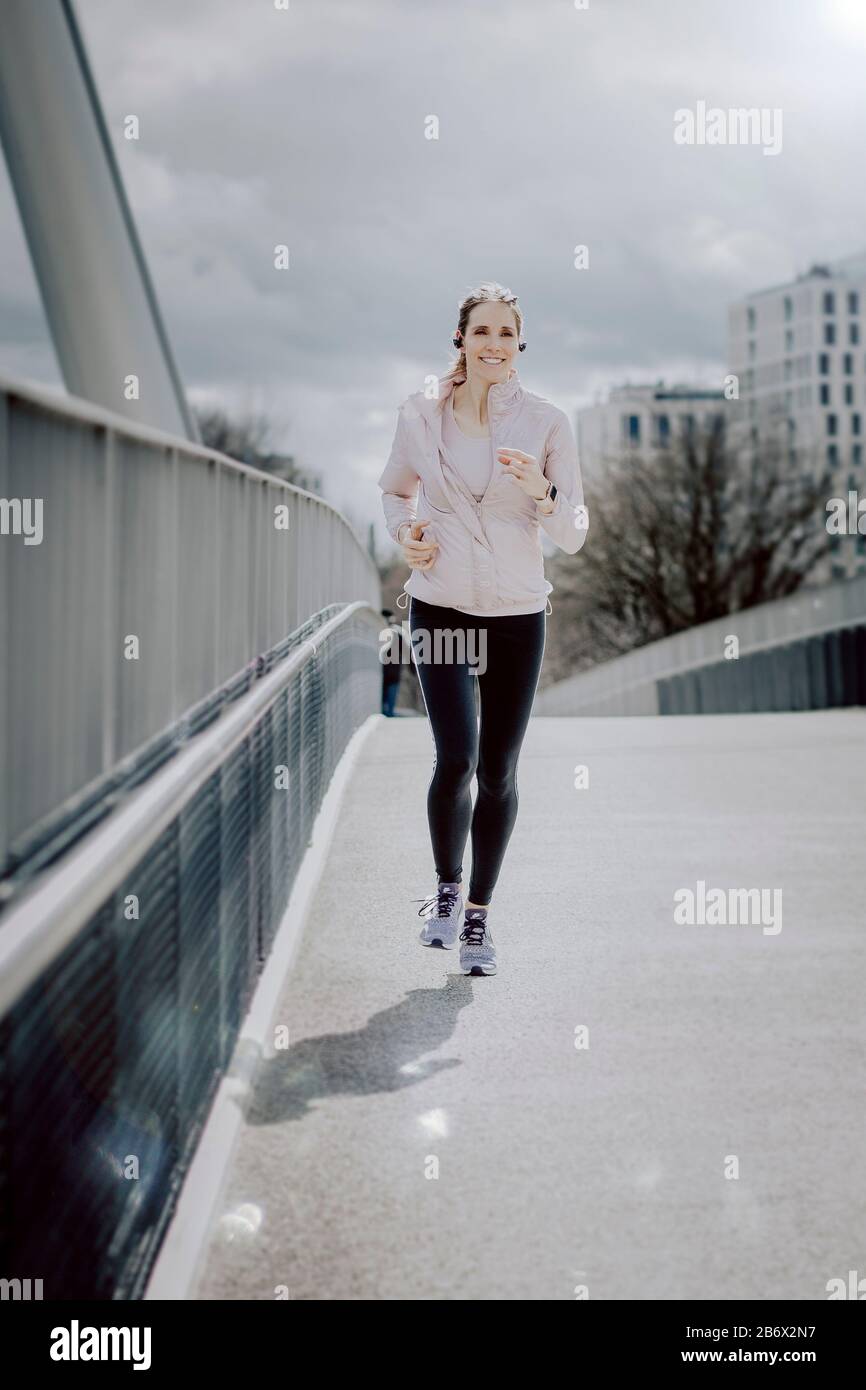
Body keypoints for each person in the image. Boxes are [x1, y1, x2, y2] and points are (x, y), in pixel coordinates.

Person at [377, 281, 588, 976]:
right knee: (457, 757)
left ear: (518, 345)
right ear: (461, 340)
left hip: (517, 613)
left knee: (498, 770)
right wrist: (405, 536)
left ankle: (478, 920)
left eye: (507, 333)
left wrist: (541, 492)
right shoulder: (420, 415)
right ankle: (444, 890)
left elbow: (574, 532)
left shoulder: (548, 422)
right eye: (483, 332)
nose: (495, 344)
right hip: (438, 603)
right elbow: (394, 490)